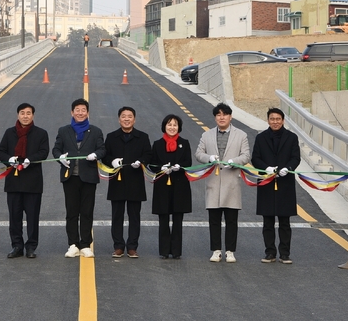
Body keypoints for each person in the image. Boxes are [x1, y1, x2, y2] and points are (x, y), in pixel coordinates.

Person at [195, 103, 250, 263]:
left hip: (232, 181)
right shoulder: (207, 135)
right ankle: (216, 250)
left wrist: (235, 161)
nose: (221, 117)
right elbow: (199, 153)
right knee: (214, 219)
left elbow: (246, 155)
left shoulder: (241, 135)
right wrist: (209, 158)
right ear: (215, 117)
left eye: (225, 114)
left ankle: (230, 251)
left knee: (231, 219)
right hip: (213, 181)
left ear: (230, 116)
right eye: (218, 115)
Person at [52, 98, 106, 258]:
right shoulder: (64, 130)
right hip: (70, 177)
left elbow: (102, 149)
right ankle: (73, 244)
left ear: (88, 113)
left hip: (88, 177)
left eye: (83, 110)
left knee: (87, 211)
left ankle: (85, 244)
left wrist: (96, 155)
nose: (80, 112)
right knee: (71, 212)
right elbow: (56, 149)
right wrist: (60, 157)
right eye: (77, 110)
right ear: (72, 112)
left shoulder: (96, 131)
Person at [0, 102, 50, 259]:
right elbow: (1, 152)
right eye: (22, 113)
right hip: (13, 182)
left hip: (33, 182)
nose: (25, 116)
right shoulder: (9, 133)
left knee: (32, 217)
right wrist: (9, 159)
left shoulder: (41, 133)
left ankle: (31, 246)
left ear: (33, 115)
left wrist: (29, 160)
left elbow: (44, 152)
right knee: (15, 216)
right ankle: (17, 245)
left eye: (28, 113)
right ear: (17, 115)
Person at [251, 107, 300, 264]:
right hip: (267, 182)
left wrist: (288, 168)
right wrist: (266, 168)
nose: (275, 122)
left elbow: (296, 158)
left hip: (285, 182)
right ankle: (270, 252)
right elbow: (255, 158)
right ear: (268, 120)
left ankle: (285, 253)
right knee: (268, 220)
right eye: (272, 119)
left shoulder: (292, 138)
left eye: (278, 119)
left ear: (283, 120)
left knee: (285, 221)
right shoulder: (261, 138)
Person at [104, 106, 152, 258]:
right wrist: (112, 161)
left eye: (129, 116)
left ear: (134, 119)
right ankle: (118, 246)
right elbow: (104, 155)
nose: (126, 119)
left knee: (134, 216)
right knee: (117, 215)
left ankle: (132, 246)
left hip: (135, 181)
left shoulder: (142, 137)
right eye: (123, 116)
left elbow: (148, 155)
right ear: (119, 119)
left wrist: (141, 162)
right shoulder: (111, 137)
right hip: (117, 181)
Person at [149, 114, 192, 259]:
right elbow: (152, 163)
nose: (172, 127)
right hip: (162, 184)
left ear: (179, 127)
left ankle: (176, 251)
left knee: (178, 219)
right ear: (164, 126)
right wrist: (161, 168)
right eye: (169, 124)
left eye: (175, 125)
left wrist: (179, 167)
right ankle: (164, 250)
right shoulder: (157, 144)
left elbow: (188, 162)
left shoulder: (184, 143)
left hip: (180, 185)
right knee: (163, 218)